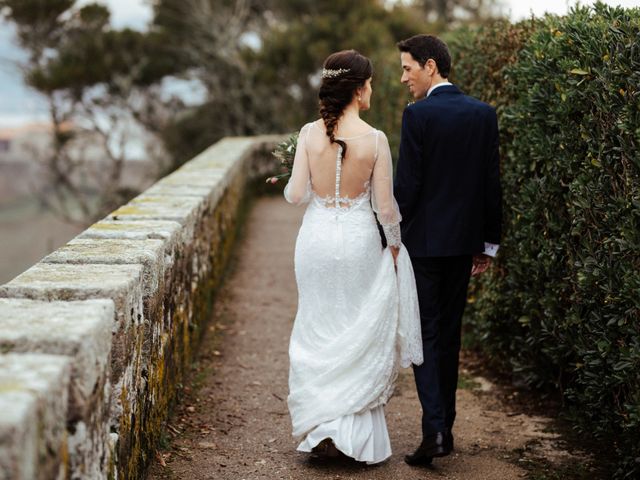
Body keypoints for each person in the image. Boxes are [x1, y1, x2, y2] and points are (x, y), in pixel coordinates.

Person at [284, 49, 423, 464]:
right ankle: (354, 435)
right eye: (372, 83)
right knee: (356, 326)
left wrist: (312, 186)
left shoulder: (310, 133)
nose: (374, 90)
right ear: (360, 89)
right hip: (360, 241)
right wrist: (395, 245)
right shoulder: (376, 139)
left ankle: (322, 428)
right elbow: (386, 208)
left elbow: (294, 196)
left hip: (316, 240)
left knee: (317, 323)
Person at [394, 34, 502, 466]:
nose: (404, 77)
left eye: (407, 68)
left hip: (422, 247)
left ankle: (436, 431)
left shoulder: (417, 116)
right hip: (463, 246)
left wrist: (391, 239)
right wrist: (488, 244)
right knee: (449, 336)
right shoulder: (483, 114)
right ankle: (443, 427)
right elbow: (490, 185)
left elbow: (408, 187)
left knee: (427, 335)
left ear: (430, 67)